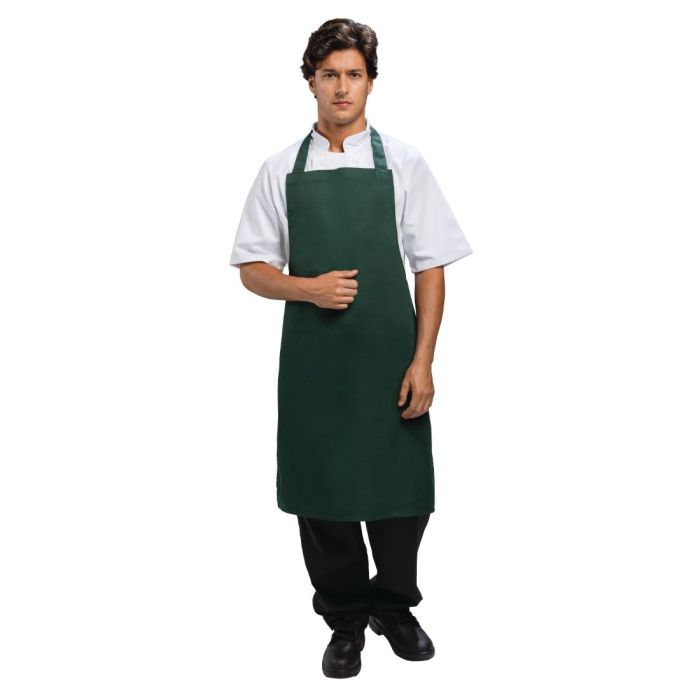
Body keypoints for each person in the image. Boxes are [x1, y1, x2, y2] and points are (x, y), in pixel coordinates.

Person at [229, 18, 473, 678]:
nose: (342, 87)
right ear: (310, 80)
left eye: (354, 75)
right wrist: (306, 288)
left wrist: (423, 360)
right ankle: (343, 619)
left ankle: (394, 607)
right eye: (330, 74)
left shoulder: (404, 164)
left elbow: (430, 265)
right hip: (315, 365)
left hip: (390, 360)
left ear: (371, 82)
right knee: (322, 495)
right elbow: (252, 267)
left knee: (401, 495)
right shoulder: (280, 169)